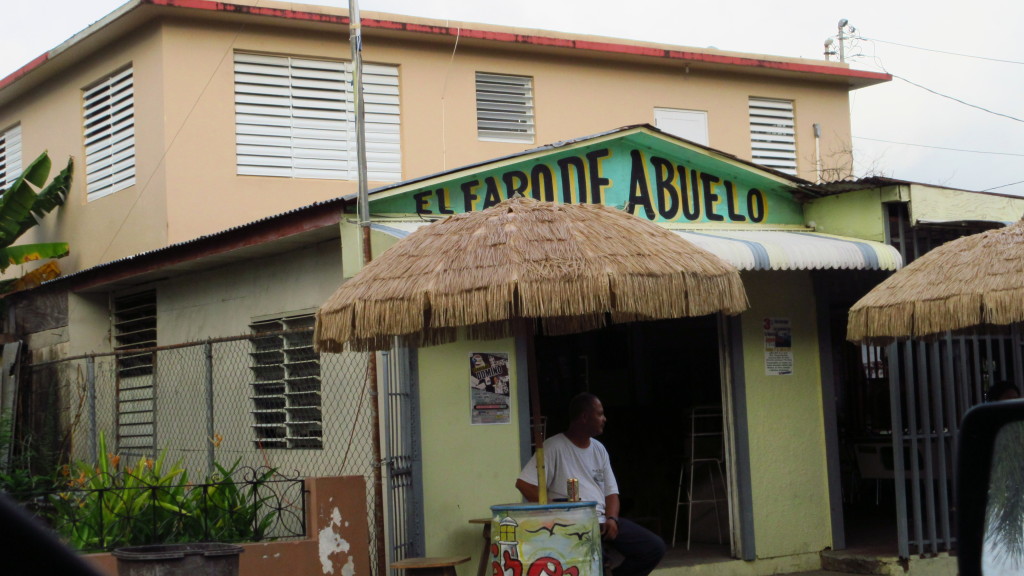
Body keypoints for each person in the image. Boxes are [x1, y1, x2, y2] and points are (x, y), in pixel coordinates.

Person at [515, 393, 665, 576]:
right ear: (585, 417)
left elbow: (611, 494)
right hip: (573, 524)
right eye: (600, 414)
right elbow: (523, 484)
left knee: (653, 547)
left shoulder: (599, 449)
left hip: (602, 520)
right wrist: (556, 509)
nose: (604, 419)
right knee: (594, 558)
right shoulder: (554, 446)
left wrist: (612, 519)